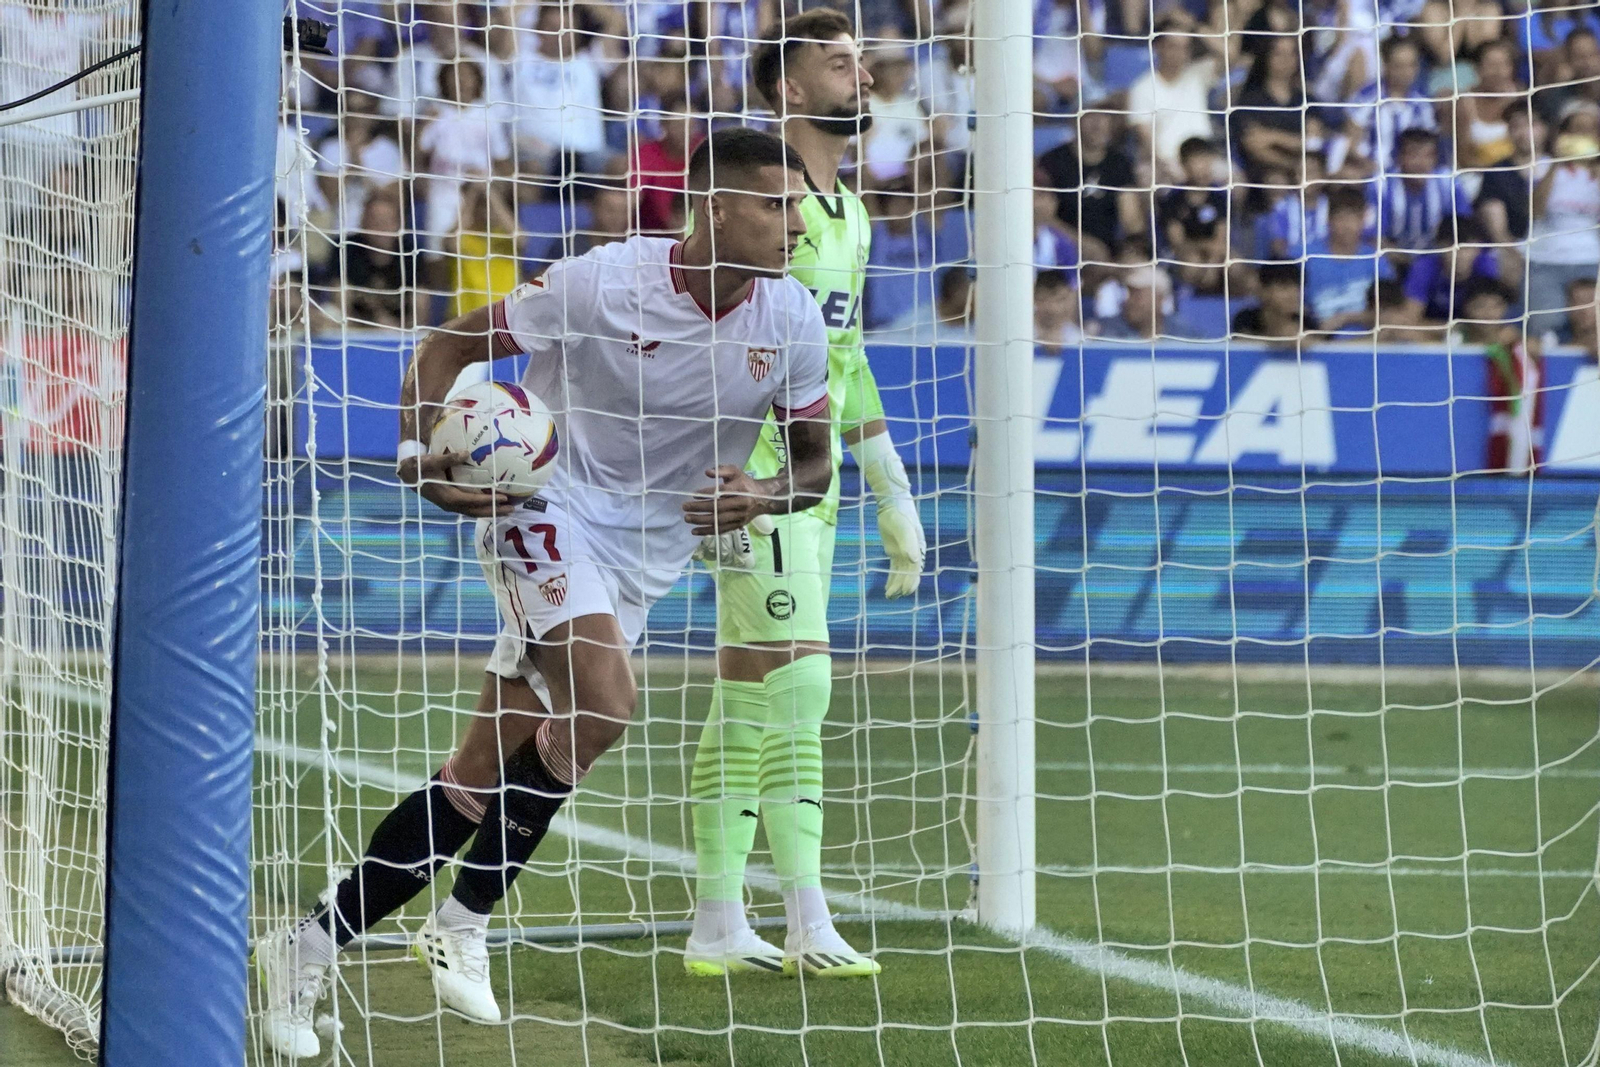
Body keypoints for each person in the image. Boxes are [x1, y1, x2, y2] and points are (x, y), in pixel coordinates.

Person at [254, 127, 835, 1059]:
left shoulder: (793, 319)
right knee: (606, 706)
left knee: (478, 778)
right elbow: (449, 344)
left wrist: (762, 493)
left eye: (798, 205)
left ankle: (304, 945)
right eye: (777, 203)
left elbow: (814, 464)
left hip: (647, 558)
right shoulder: (601, 281)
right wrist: (415, 458)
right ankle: (465, 917)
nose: (796, 223)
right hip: (545, 506)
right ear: (716, 207)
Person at [685, 8, 927, 980]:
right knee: (802, 681)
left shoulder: (852, 214)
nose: (860, 77)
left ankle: (714, 918)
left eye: (863, 63)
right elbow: (694, 323)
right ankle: (807, 917)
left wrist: (891, 489)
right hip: (749, 478)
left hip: (812, 483)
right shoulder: (747, 201)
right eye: (838, 64)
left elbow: (846, 361)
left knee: (747, 697)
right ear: (787, 88)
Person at [1305, 186, 1392, 333]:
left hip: (1368, 342)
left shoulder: (1376, 259)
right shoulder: (1306, 256)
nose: (1347, 226)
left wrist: (1346, 318)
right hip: (1316, 341)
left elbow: (1390, 312)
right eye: (1341, 218)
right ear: (1328, 219)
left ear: (1364, 219)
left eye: (1354, 218)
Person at [1233, 261, 1318, 342]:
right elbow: (1242, 345)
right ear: (1263, 290)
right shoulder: (1246, 319)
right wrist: (1280, 338)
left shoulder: (1306, 322)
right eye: (1284, 288)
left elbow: (1322, 347)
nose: (1293, 294)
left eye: (1297, 287)